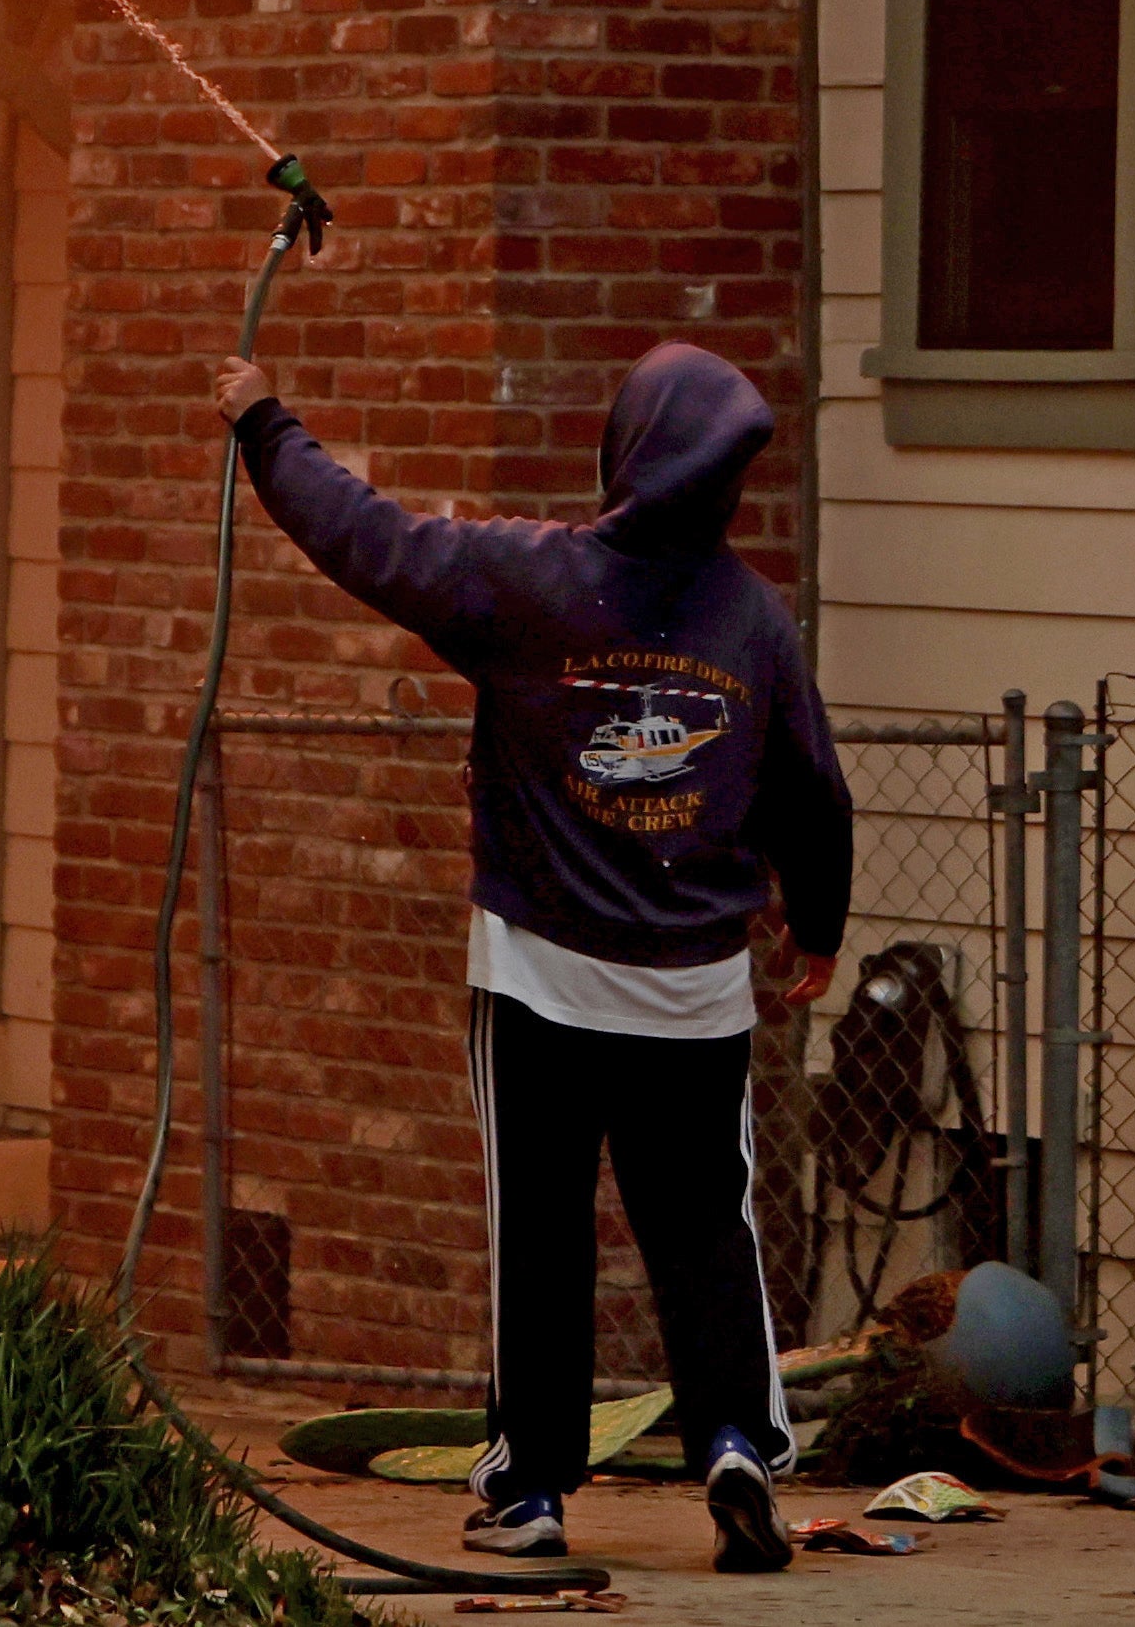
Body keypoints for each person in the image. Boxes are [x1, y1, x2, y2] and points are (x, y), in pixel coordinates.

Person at [214, 337, 852, 1576]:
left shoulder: (527, 581)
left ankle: (532, 1491)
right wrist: (813, 923)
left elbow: (370, 538)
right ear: (727, 481)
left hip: (540, 979)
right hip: (697, 992)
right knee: (706, 1228)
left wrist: (262, 424)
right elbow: (811, 791)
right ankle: (731, 1441)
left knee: (541, 1231)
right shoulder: (752, 618)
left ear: (623, 452)